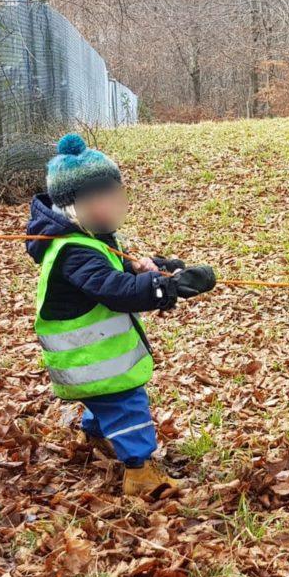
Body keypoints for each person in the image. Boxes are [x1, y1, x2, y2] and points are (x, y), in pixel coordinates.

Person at [26, 134, 216, 496]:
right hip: (90, 361)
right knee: (128, 406)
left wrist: (161, 269)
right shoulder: (74, 252)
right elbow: (113, 289)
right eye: (108, 197)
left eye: (118, 194)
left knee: (106, 403)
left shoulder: (93, 238)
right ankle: (140, 471)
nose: (117, 204)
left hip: (95, 361)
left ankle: (97, 436)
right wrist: (166, 290)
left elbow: (120, 268)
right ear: (79, 204)